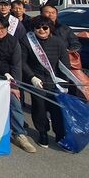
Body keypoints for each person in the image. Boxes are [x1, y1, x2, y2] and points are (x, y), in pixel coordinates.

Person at [0, 15, 37, 153]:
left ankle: (19, 134)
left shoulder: (13, 42)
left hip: (6, 79)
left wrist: (15, 86)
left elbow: (16, 66)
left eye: (2, 28)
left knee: (15, 103)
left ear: (7, 28)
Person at [20, 15, 72, 149]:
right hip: (37, 81)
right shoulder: (27, 41)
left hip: (55, 82)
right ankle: (42, 132)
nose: (41, 30)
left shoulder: (58, 42)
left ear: (50, 28)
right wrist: (32, 77)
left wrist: (63, 83)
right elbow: (23, 62)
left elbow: (65, 64)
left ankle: (60, 134)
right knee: (39, 108)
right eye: (38, 27)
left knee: (57, 110)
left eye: (45, 27)